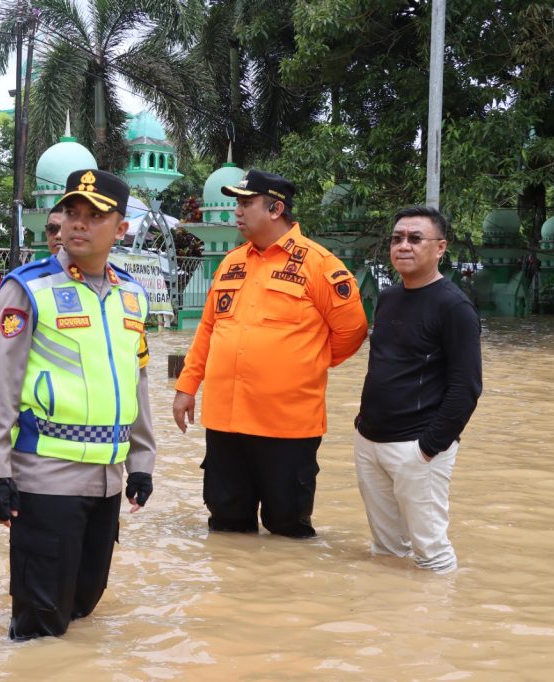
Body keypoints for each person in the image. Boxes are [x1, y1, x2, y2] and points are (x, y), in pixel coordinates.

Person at [0, 169, 155, 640]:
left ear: (121, 229)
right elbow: (0, 384)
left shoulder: (132, 296)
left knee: (83, 607)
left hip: (107, 484)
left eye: (95, 216)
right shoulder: (28, 288)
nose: (79, 223)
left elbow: (135, 382)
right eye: (73, 212)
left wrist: (141, 464)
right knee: (40, 626)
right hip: (45, 479)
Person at [172, 169, 368, 538]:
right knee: (227, 527)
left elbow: (352, 332)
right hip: (226, 422)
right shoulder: (231, 263)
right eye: (237, 203)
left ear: (275, 209)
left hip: (287, 425)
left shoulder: (319, 265)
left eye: (246, 203)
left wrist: (305, 364)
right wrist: (186, 388)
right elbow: (208, 331)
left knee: (288, 530)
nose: (237, 211)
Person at [354, 206, 481, 573]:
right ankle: (393, 608)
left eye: (415, 238)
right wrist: (362, 427)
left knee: (432, 555)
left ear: (440, 248)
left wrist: (428, 448)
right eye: (397, 239)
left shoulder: (454, 306)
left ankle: (439, 610)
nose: (403, 246)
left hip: (417, 448)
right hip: (370, 441)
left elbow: (467, 386)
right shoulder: (389, 297)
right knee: (385, 550)